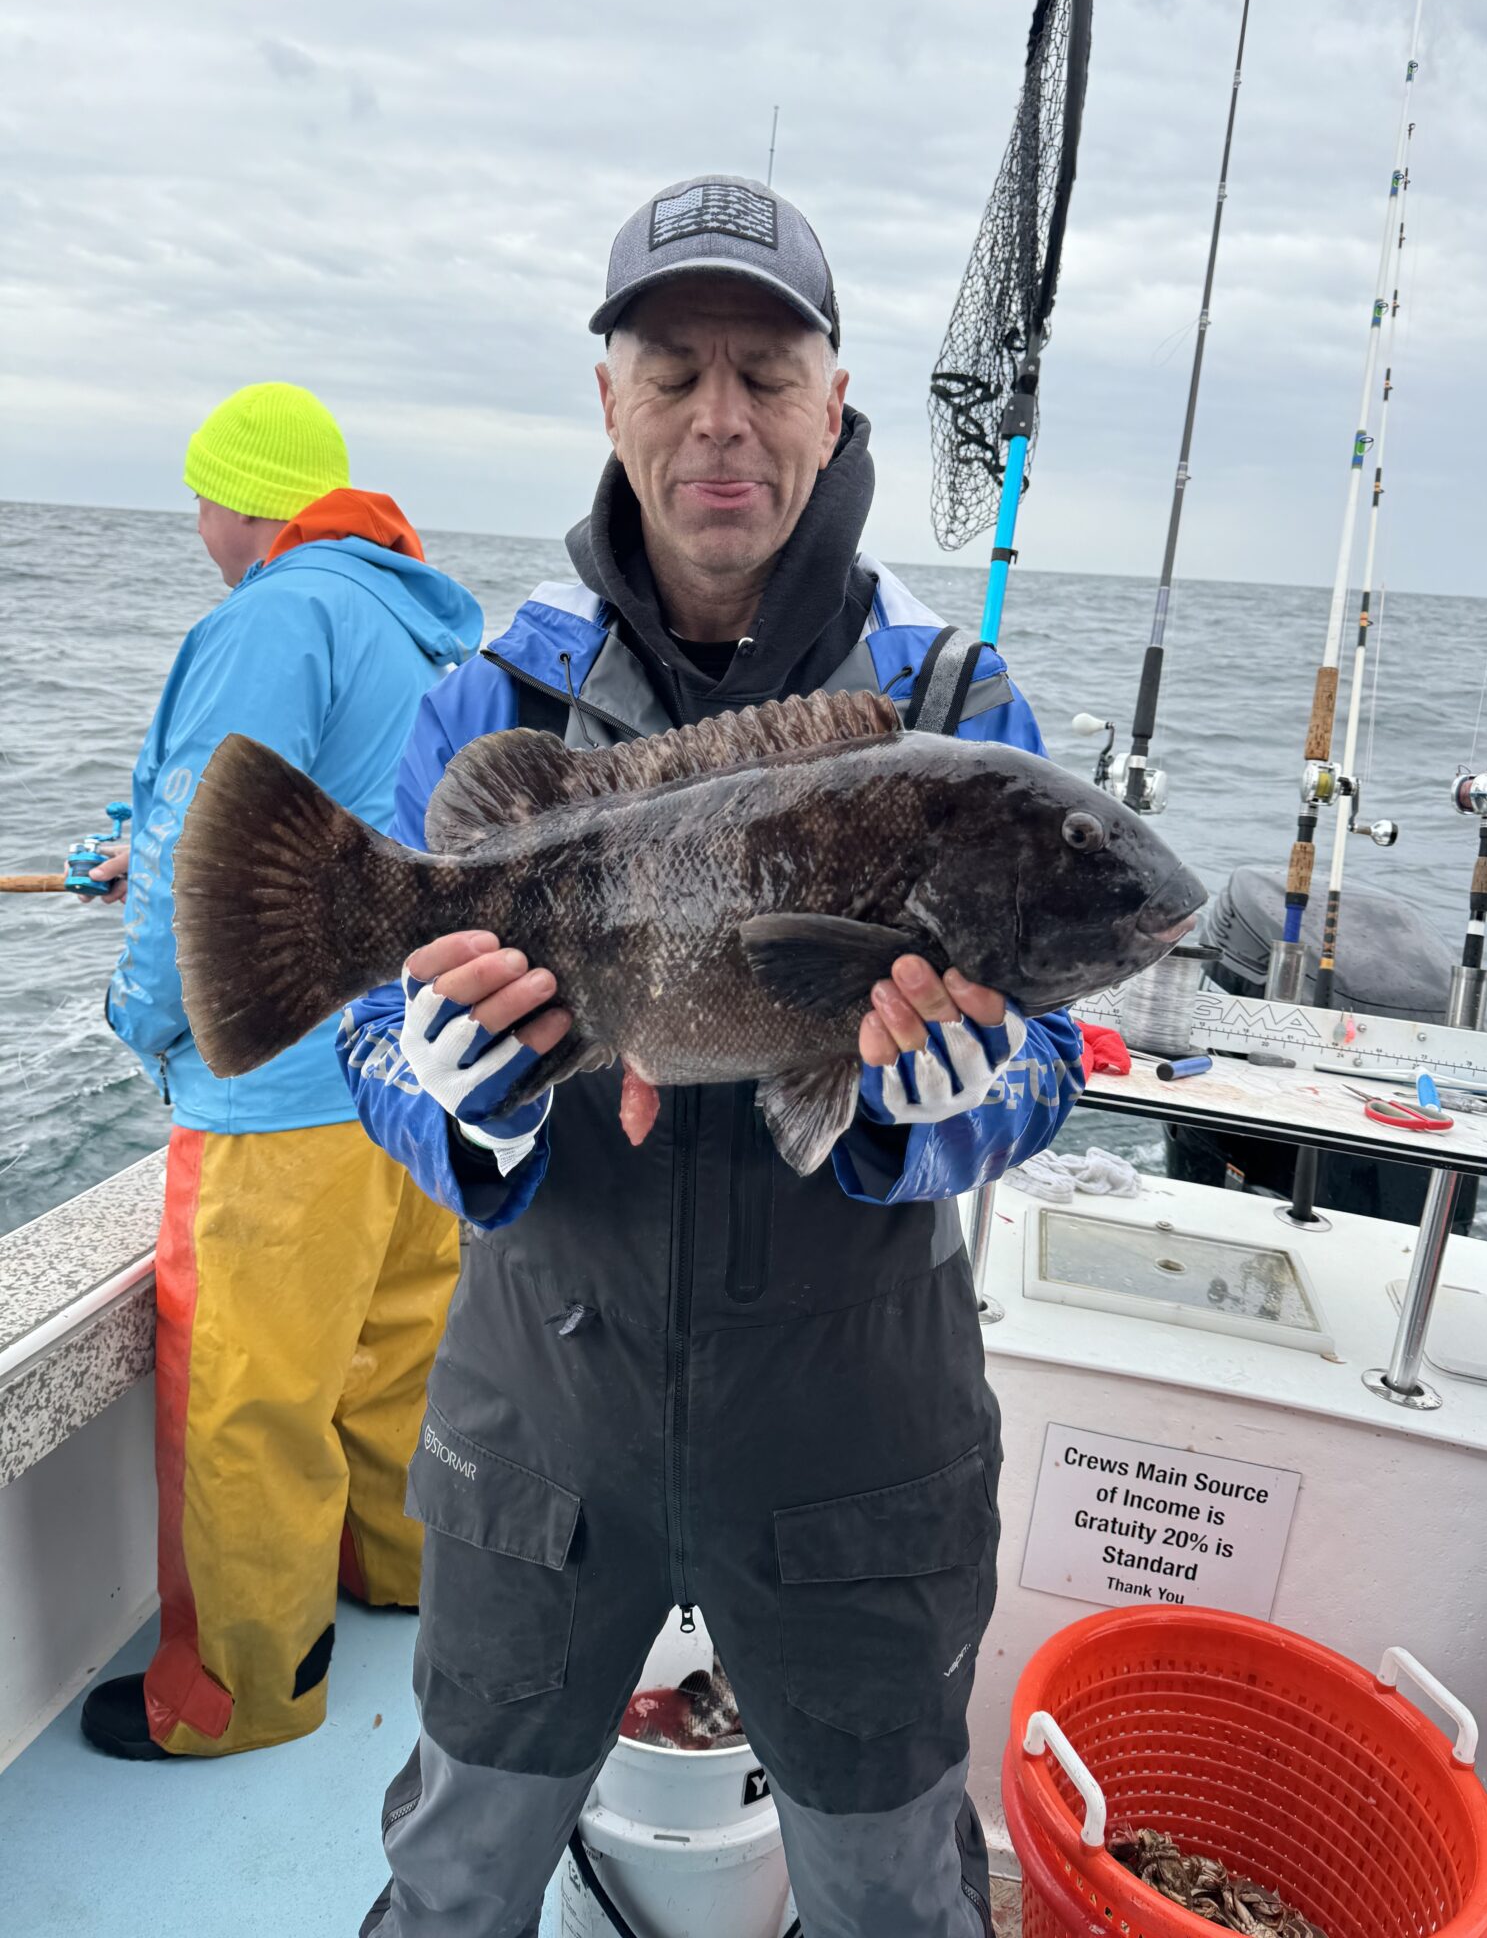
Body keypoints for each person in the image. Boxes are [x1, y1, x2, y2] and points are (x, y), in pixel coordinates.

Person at [341, 178, 1085, 1937]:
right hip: (544, 1431)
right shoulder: (491, 705)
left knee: (894, 1894)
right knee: (451, 1879)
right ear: (609, 401)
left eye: (767, 369)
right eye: (673, 370)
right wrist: (457, 1106)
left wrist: (953, 1112)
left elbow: (1051, 1057)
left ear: (838, 403)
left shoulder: (960, 712)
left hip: (857, 1450)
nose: (720, 422)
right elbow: (375, 1033)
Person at [82, 382, 483, 1761]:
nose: (199, 527)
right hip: (416, 1078)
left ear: (248, 502)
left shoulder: (266, 618)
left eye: (205, 499)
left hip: (280, 1092)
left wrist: (147, 1016)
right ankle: (400, 1570)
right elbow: (351, 814)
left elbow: (204, 830)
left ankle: (236, 1698)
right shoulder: (415, 623)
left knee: (247, 1399)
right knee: (392, 1357)